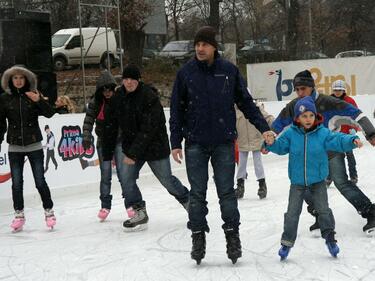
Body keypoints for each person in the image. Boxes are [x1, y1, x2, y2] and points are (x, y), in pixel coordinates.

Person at [169, 26, 273, 264]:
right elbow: (176, 109)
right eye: (197, 44)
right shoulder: (186, 73)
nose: (200, 48)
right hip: (195, 142)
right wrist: (175, 141)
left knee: (226, 193)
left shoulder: (228, 71)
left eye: (204, 44)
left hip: (224, 142)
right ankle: (198, 235)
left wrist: (263, 127)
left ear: (214, 46)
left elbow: (246, 103)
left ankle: (232, 235)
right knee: (197, 194)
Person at [272, 70, 375, 234]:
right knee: (304, 187)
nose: (299, 93)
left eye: (303, 89)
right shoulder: (294, 106)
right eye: (297, 90)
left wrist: (370, 133)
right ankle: (321, 216)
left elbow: (356, 113)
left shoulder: (328, 102)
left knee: (342, 183)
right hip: (310, 156)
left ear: (312, 87)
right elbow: (278, 125)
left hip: (332, 151)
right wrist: (268, 140)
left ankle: (370, 212)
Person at [265, 96, 363, 260]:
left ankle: (330, 239)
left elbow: (337, 139)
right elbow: (280, 147)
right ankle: (287, 242)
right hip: (297, 182)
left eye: (311, 115)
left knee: (323, 210)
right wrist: (271, 143)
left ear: (315, 116)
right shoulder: (291, 133)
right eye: (304, 116)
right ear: (297, 117)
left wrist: (352, 140)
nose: (308, 119)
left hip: (318, 180)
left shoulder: (322, 133)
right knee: (292, 213)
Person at [103, 64, 189, 231]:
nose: (129, 83)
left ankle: (190, 202)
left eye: (132, 79)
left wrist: (133, 153)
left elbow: (148, 130)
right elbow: (110, 125)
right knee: (126, 179)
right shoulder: (118, 97)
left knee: (167, 180)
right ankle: (139, 210)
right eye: (126, 79)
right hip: (132, 147)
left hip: (154, 147)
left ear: (138, 80)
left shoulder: (149, 97)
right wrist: (108, 153)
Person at [0, 65, 56, 231]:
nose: (18, 81)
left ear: (26, 80)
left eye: (21, 78)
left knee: (40, 181)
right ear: (10, 80)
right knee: (17, 183)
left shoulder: (33, 95)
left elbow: (50, 113)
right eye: (15, 78)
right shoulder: (4, 98)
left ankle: (49, 212)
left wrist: (38, 101)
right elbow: (0, 123)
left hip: (34, 145)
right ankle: (19, 215)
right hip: (15, 146)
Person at [82, 70, 126, 221]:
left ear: (114, 89)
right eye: (104, 90)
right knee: (105, 175)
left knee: (123, 174)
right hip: (103, 142)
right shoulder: (96, 102)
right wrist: (86, 137)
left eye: (109, 89)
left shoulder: (121, 99)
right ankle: (105, 205)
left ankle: (130, 204)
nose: (107, 93)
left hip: (119, 141)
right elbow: (88, 120)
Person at [235, 101, 274, 199]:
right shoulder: (235, 110)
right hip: (242, 140)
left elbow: (267, 117)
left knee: (258, 163)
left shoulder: (256, 107)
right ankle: (240, 185)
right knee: (241, 164)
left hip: (256, 139)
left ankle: (262, 185)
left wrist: (276, 123)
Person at [328, 79, 359, 184]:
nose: (337, 92)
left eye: (340, 90)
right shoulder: (328, 101)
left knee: (349, 155)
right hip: (333, 134)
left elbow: (356, 116)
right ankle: (329, 177)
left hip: (347, 134)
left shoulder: (350, 101)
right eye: (335, 90)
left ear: (343, 90)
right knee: (331, 156)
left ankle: (353, 176)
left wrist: (354, 129)